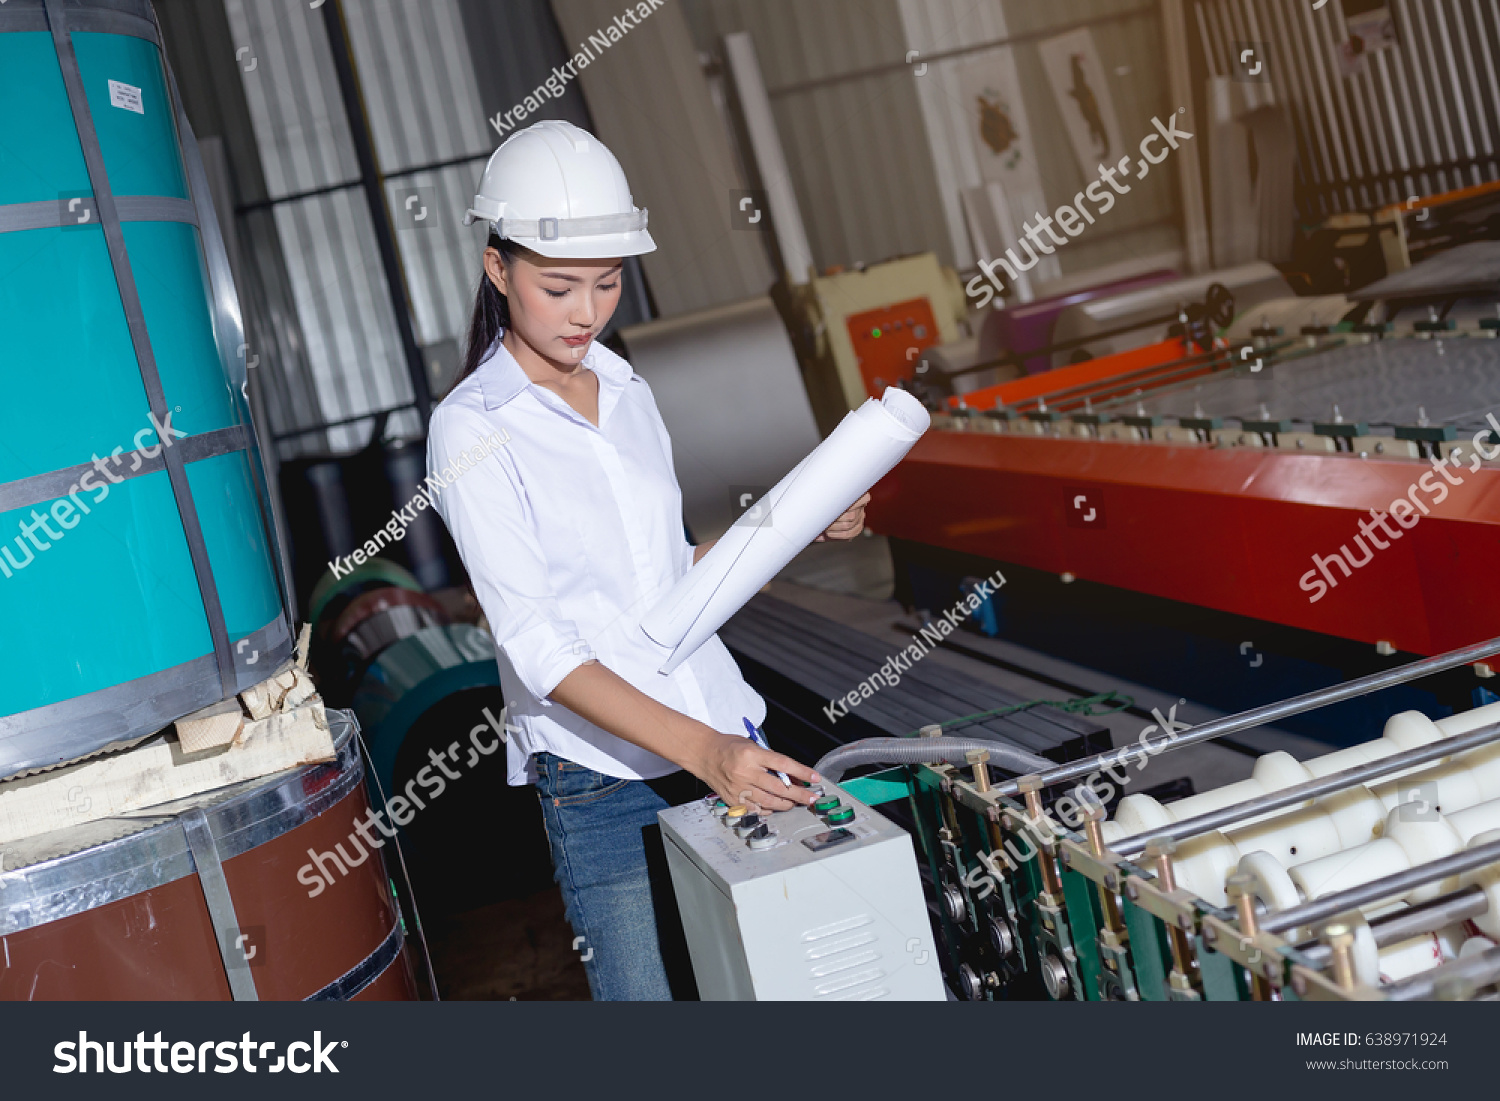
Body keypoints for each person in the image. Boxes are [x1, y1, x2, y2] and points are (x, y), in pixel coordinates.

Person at [426, 120, 870, 1001]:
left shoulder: (627, 389)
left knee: (783, 987)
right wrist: (704, 756)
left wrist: (794, 525)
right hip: (604, 781)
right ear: (497, 269)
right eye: (558, 287)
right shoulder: (472, 428)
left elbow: (673, 575)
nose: (587, 312)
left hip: (723, 733)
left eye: (607, 282)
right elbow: (539, 648)